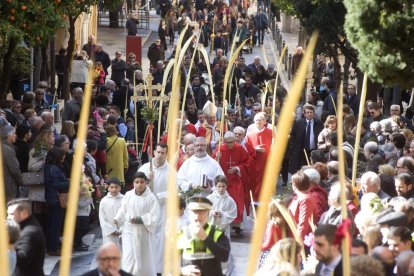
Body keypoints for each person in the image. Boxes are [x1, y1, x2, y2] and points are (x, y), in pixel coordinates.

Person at [114, 172, 159, 275]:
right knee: (129, 257)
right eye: (137, 182)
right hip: (129, 230)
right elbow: (123, 208)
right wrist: (117, 218)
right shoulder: (128, 195)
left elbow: (154, 215)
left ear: (146, 183)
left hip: (143, 232)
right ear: (133, 183)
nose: (139, 185)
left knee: (143, 258)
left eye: (142, 182)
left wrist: (140, 219)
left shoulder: (151, 198)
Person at [138, 143, 173, 275]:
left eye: (163, 153)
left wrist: (157, 197)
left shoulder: (171, 171)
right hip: (145, 210)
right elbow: (136, 187)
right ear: (153, 152)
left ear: (166, 154)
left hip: (161, 211)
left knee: (159, 240)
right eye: (158, 152)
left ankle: (158, 269)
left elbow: (174, 192)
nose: (159, 155)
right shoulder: (145, 168)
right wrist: (146, 181)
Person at [178, 196, 230, 276]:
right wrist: (182, 271)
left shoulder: (217, 232)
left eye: (202, 212)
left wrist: (205, 238)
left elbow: (225, 256)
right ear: (189, 213)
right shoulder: (181, 234)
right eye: (195, 212)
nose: (198, 216)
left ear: (208, 213)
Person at [212, 131, 249, 230]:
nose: (230, 144)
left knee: (237, 200)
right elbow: (212, 164)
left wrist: (237, 168)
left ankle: (237, 225)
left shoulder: (239, 148)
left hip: (235, 180)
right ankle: (222, 223)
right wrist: (216, 158)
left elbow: (247, 162)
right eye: (228, 142)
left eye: (232, 142)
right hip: (223, 181)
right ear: (224, 141)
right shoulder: (220, 149)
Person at [7, 198, 46, 276]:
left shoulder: (30, 232)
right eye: (8, 214)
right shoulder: (23, 228)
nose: (8, 217)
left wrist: (7, 246)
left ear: (24, 213)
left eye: (11, 214)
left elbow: (23, 260)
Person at [44, 147, 69, 256]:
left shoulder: (49, 167)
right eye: (62, 155)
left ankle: (52, 247)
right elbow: (56, 184)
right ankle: (53, 248)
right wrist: (70, 183)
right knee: (55, 224)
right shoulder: (55, 168)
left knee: (52, 223)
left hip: (51, 198)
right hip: (56, 198)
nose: (64, 157)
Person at [289, 104, 324, 174]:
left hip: (314, 151)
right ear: (304, 114)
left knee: (313, 169)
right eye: (307, 112)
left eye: (311, 112)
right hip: (301, 151)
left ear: (314, 113)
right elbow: (292, 136)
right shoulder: (299, 123)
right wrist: (293, 147)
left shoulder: (319, 123)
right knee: (302, 169)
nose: (309, 114)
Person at [246, 112, 272, 201]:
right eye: (257, 120)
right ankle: (255, 198)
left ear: (265, 121)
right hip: (256, 161)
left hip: (268, 159)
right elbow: (247, 149)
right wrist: (255, 149)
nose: (258, 122)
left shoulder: (271, 132)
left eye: (261, 120)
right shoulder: (250, 135)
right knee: (256, 180)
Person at [288, 172, 316, 241]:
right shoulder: (299, 196)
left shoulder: (305, 199)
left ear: (294, 185)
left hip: (300, 238)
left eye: (291, 183)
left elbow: (303, 223)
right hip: (293, 233)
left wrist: (297, 242)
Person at [99, 177, 123, 248]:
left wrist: (121, 229)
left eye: (116, 187)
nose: (114, 189)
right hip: (109, 233)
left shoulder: (124, 199)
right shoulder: (104, 201)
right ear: (108, 188)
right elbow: (102, 218)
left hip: (122, 232)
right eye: (111, 187)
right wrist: (111, 230)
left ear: (120, 188)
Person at [1, 125, 21, 202]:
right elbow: (14, 169)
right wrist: (20, 180)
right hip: (8, 186)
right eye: (14, 134)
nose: (16, 136)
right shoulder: (8, 149)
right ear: (8, 135)